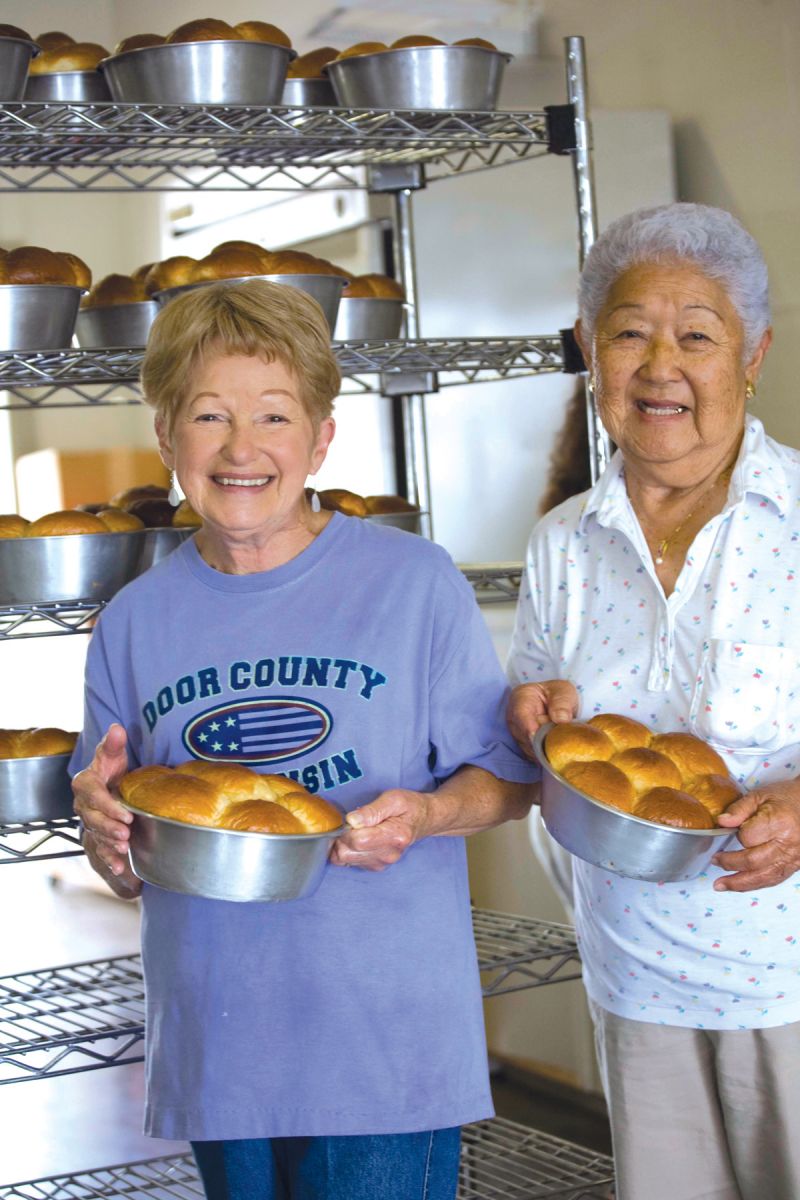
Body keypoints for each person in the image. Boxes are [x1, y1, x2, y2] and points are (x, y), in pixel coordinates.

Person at [70, 278, 552, 1200]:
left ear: (322, 437)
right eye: (208, 417)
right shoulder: (132, 623)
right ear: (167, 437)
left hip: (381, 1047)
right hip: (219, 1046)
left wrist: (429, 812)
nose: (241, 448)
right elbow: (128, 859)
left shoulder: (413, 583)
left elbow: (509, 780)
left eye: (274, 417)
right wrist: (108, 841)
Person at [506, 203, 800, 1200]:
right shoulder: (561, 544)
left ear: (750, 354)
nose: (658, 365)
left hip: (791, 980)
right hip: (635, 974)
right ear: (591, 353)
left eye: (696, 334)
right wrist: (529, 717)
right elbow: (542, 736)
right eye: (628, 331)